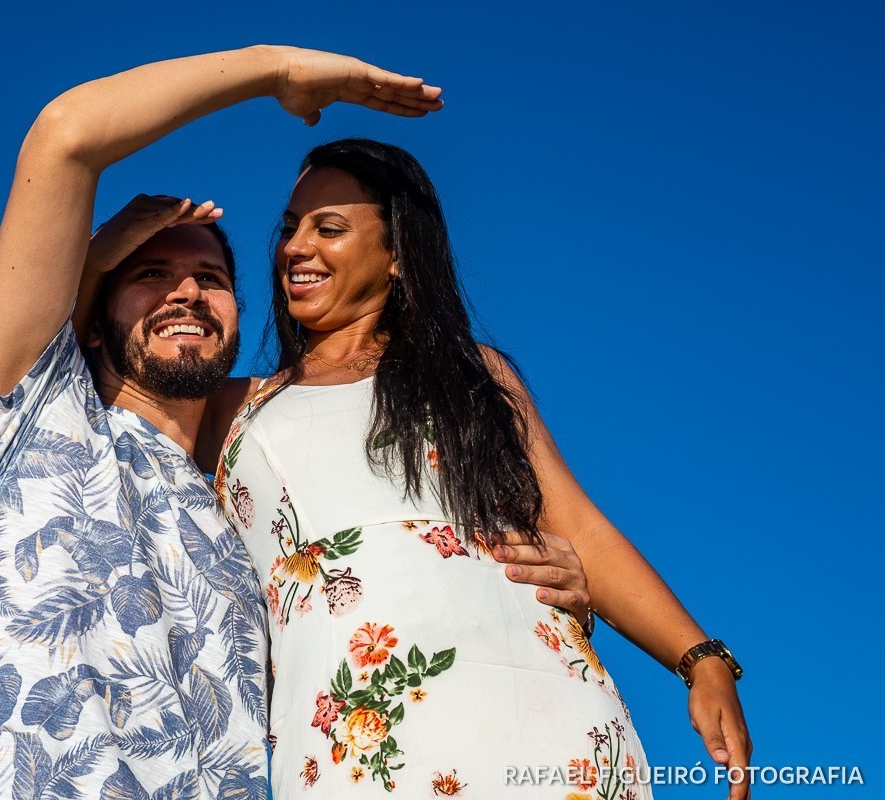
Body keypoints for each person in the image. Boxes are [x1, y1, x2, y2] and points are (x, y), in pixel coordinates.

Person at [0, 46, 600, 800]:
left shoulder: (250, 535)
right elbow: (65, 135)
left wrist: (532, 581)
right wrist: (276, 71)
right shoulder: (30, 417)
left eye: (212, 279)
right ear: (94, 318)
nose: (187, 293)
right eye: (149, 275)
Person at [196, 139, 753, 799]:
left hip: (545, 717)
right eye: (290, 228)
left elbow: (579, 527)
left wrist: (701, 660)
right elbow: (57, 362)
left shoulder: (474, 374)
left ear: (398, 253)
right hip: (354, 745)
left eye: (329, 227)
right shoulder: (231, 409)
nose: (294, 247)